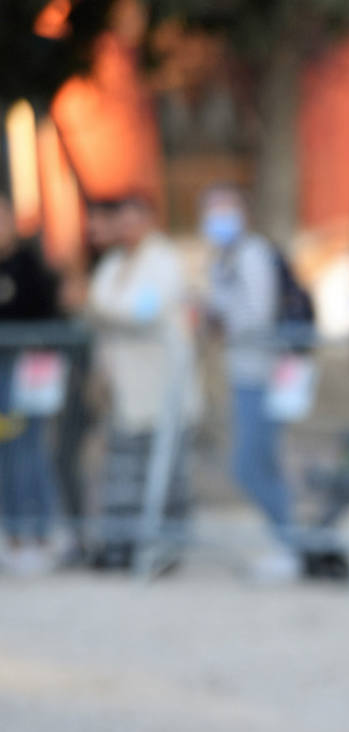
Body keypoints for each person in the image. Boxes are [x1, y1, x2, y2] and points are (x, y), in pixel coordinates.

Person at [86, 193, 200, 569]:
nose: (126, 228)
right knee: (123, 471)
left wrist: (103, 309)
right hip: (124, 385)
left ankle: (163, 548)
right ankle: (122, 545)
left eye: (134, 220)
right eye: (122, 221)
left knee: (164, 471)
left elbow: (143, 310)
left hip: (161, 384)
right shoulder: (114, 263)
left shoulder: (164, 261)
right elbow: (102, 307)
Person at [200, 184, 303, 583]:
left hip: (265, 372)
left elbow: (257, 316)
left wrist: (221, 316)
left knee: (250, 464)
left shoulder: (253, 254)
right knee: (260, 462)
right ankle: (287, 542)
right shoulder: (222, 260)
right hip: (243, 372)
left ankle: (290, 542)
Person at [0, 192, 63, 574]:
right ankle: (10, 533)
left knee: (28, 453)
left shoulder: (29, 265)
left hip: (25, 376)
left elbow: (46, 313)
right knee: (5, 455)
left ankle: (37, 532)